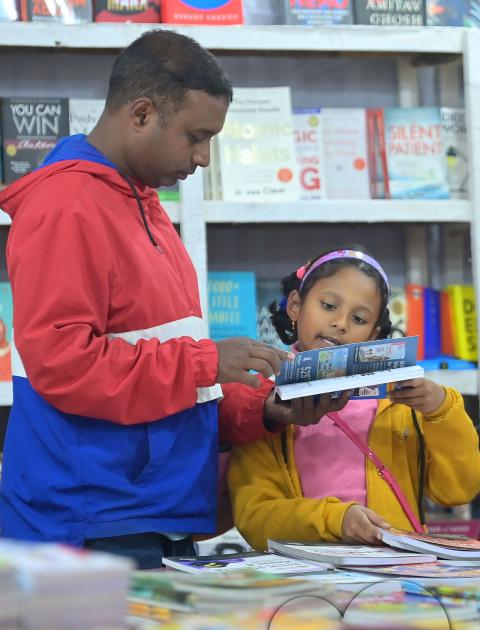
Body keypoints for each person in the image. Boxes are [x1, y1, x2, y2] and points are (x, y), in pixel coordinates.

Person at [0, 30, 335, 569]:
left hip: (152, 513)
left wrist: (268, 410)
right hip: (91, 524)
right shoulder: (67, 206)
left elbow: (169, 382)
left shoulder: (143, 203)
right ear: (141, 115)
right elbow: (63, 364)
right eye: (195, 137)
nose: (204, 158)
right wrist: (207, 362)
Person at [228, 248, 480, 550]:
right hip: (305, 578)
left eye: (359, 318)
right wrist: (337, 520)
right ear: (295, 305)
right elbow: (254, 517)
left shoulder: (398, 404)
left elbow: (457, 490)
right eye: (329, 305)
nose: (341, 323)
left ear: (373, 335)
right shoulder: (264, 406)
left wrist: (442, 410)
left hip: (394, 577)